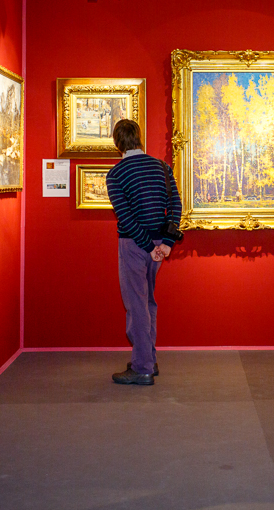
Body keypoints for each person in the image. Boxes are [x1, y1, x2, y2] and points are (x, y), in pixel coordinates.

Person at [105, 119, 182, 385]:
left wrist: (149, 247)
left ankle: (142, 368)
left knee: (136, 305)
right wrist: (165, 244)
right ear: (139, 137)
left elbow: (125, 218)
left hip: (134, 245)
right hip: (158, 244)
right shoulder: (162, 167)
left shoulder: (116, 174)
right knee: (148, 301)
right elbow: (175, 205)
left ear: (117, 142)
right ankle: (148, 358)